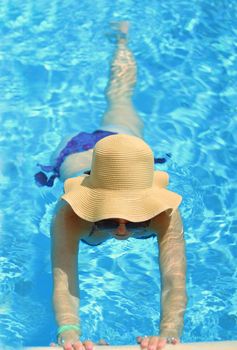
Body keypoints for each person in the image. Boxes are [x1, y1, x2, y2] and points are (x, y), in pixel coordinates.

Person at [40, 22, 187, 350]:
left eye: (135, 220)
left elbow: (174, 279)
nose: (121, 232)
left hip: (124, 146)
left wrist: (168, 333)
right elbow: (64, 278)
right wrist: (69, 333)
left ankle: (122, 39)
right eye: (107, 219)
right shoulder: (70, 211)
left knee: (120, 94)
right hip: (75, 152)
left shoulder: (165, 211)